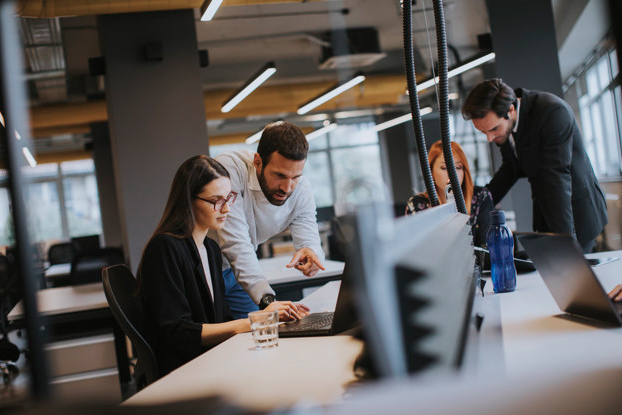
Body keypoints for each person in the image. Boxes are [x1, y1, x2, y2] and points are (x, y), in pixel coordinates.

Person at [138, 155, 309, 376]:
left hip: (212, 361)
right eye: (216, 201)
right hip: (186, 372)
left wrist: (268, 317)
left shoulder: (209, 249)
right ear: (188, 200)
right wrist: (253, 321)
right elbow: (178, 333)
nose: (227, 209)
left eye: (229, 198)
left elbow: (222, 319)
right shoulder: (164, 248)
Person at [462, 78, 608, 253]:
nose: (490, 138)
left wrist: (566, 243)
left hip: (575, 210)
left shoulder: (552, 112)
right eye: (483, 132)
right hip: (545, 208)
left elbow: (557, 179)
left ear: (511, 109)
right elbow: (512, 168)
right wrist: (476, 202)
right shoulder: (502, 127)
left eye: (493, 129)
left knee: (573, 273)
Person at [209, 121, 326, 319]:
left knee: (259, 330)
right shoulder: (230, 169)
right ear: (258, 162)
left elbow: (309, 239)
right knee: (209, 339)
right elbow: (236, 243)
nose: (287, 187)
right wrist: (267, 301)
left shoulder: (301, 190)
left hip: (235, 272)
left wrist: (312, 254)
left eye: (296, 176)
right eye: (279, 175)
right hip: (202, 270)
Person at [405, 140, 494, 247]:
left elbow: (487, 247)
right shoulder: (417, 204)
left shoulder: (481, 196)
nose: (453, 173)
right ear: (430, 171)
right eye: (444, 168)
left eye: (458, 167)